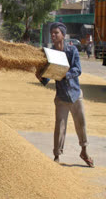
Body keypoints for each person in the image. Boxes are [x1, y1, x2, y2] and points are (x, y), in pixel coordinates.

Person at [36, 22, 94, 167]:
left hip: (75, 94)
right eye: (52, 33)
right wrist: (41, 77)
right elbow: (49, 75)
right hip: (61, 96)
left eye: (56, 33)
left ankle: (84, 151)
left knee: (81, 124)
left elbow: (77, 69)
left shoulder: (72, 51)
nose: (53, 35)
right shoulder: (50, 53)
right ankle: (57, 155)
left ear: (63, 35)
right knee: (60, 127)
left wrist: (64, 74)